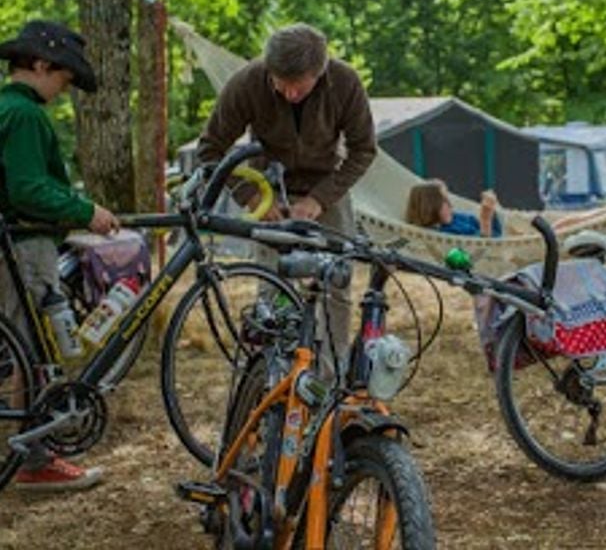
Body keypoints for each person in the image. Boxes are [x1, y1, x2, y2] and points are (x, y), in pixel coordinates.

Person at [197, 23, 376, 378]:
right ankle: (273, 376)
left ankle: (330, 377)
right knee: (272, 283)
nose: (291, 93)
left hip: (327, 188)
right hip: (268, 191)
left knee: (336, 284)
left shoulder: (345, 83)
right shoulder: (248, 82)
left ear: (320, 72)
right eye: (282, 83)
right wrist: (252, 198)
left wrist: (319, 199)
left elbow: (363, 149)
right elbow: (210, 150)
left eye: (300, 85)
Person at [0, 20, 120, 491]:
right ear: (41, 65)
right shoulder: (26, 115)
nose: (64, 89)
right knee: (32, 350)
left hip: (18, 241)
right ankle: (34, 459)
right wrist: (84, 210)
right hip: (25, 244)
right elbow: (28, 189)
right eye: (64, 79)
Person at [405, 179, 502, 237]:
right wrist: (485, 221)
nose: (450, 205)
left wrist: (491, 210)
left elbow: (497, 235)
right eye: (444, 200)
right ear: (428, 208)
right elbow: (485, 252)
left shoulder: (461, 218)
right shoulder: (444, 234)